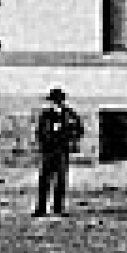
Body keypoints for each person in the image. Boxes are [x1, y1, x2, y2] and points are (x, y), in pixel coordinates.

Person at [32, 89, 85, 218]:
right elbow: (40, 132)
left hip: (62, 151)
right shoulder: (46, 115)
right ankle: (41, 208)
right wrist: (46, 141)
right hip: (48, 151)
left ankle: (58, 208)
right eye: (54, 101)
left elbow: (79, 129)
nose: (56, 104)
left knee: (61, 180)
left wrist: (70, 138)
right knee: (44, 180)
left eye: (57, 101)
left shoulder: (69, 114)